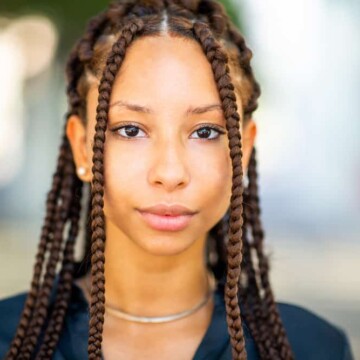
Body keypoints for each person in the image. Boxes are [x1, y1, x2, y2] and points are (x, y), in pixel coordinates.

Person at [0, 0, 355, 359]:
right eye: (131, 129)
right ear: (81, 148)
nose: (170, 173)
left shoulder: (312, 347)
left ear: (242, 151)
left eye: (204, 132)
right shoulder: (10, 340)